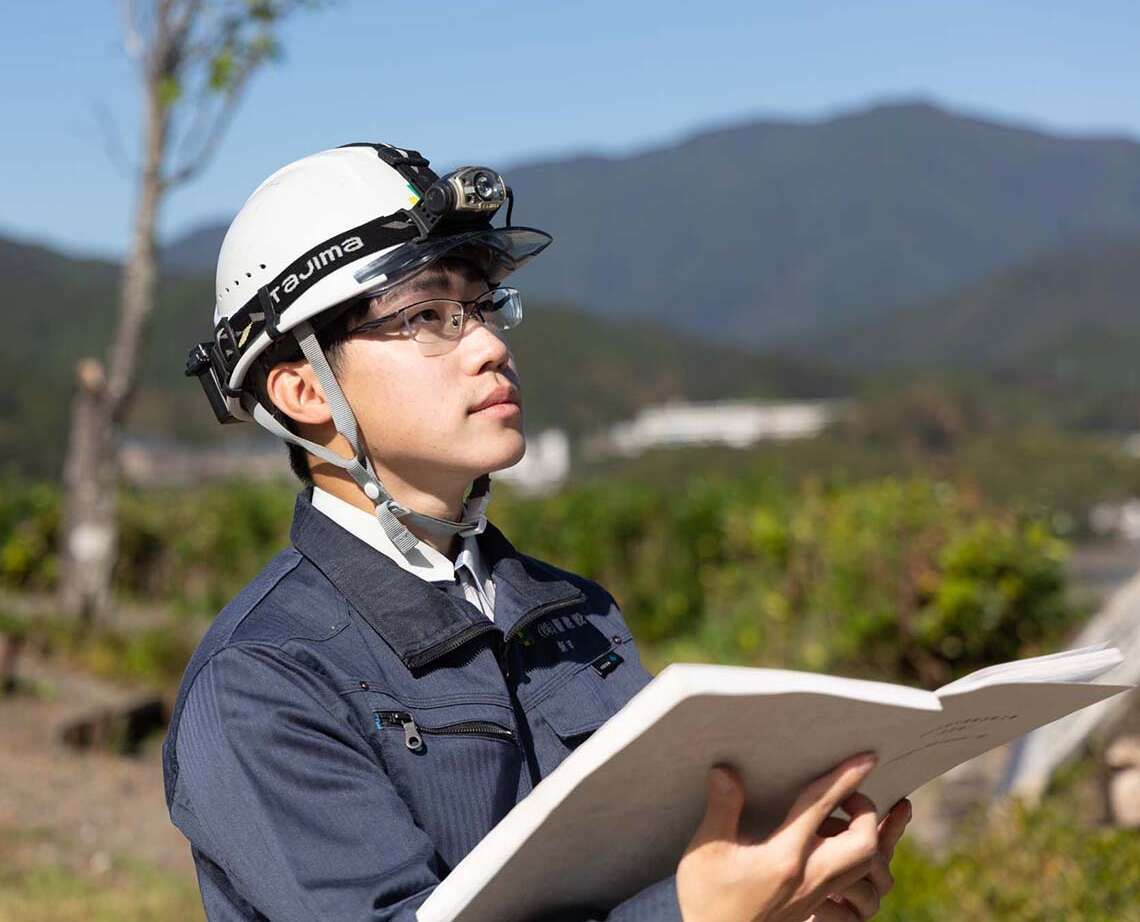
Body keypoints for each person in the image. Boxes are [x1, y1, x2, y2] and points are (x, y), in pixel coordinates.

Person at [164, 142, 912, 921]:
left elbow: (659, 872)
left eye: (485, 306)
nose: (490, 345)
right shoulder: (265, 680)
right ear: (302, 389)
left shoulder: (574, 612)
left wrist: (792, 897)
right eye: (427, 316)